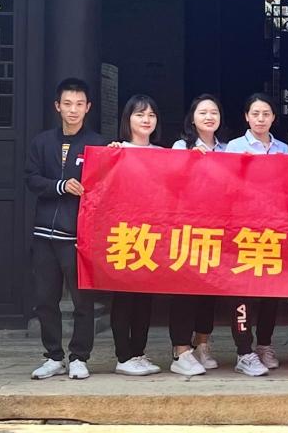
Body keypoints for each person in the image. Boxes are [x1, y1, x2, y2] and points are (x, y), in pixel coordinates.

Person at [27, 78, 106, 381]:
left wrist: (116, 153)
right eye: (67, 104)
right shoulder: (42, 142)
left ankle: (79, 357)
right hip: (44, 234)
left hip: (78, 236)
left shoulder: (97, 144)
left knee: (83, 301)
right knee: (45, 299)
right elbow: (31, 179)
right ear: (57, 106)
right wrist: (59, 186)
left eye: (79, 104)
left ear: (88, 107)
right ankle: (53, 356)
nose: (73, 110)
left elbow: (107, 184)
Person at [167, 95, 235, 376]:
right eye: (203, 112)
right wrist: (188, 162)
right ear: (192, 118)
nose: (209, 117)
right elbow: (170, 182)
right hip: (187, 228)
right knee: (185, 290)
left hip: (219, 228)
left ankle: (202, 343)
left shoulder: (228, 148)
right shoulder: (181, 147)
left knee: (209, 290)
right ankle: (180, 349)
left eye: (214, 112)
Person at [225, 93, 288, 369]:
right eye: (255, 114)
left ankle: (264, 344)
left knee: (271, 292)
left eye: (266, 114)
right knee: (243, 291)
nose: (261, 119)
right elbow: (224, 185)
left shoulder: (284, 149)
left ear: (273, 117)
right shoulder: (234, 147)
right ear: (246, 117)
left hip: (274, 231)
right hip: (243, 231)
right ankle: (243, 350)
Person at [107, 95, 163, 376]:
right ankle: (123, 355)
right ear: (127, 119)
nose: (146, 120)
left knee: (144, 297)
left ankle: (138, 353)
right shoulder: (117, 151)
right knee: (124, 296)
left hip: (151, 234)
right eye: (139, 114)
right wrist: (109, 156)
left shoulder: (162, 154)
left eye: (151, 115)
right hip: (124, 233)